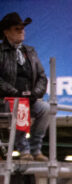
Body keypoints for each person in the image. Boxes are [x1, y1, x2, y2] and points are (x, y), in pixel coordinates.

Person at [0, 12, 50, 161]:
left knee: (46, 109)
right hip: (5, 100)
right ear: (6, 32)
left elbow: (42, 76)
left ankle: (35, 149)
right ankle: (24, 150)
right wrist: (15, 93)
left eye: (22, 28)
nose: (22, 31)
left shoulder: (30, 51)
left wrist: (36, 93)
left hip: (28, 98)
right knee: (21, 106)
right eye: (17, 28)